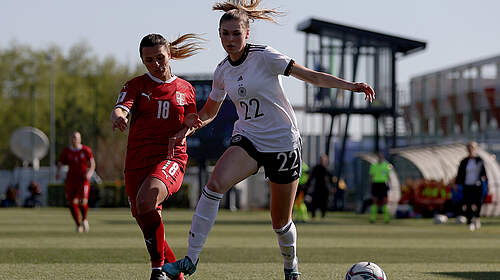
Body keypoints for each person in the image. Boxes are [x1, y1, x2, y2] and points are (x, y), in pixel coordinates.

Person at [162, 1, 375, 279]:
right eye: (224, 33)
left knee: (280, 222)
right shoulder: (222, 71)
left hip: (283, 142)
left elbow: (309, 76)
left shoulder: (264, 56)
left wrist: (350, 86)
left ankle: (291, 266)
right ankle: (190, 260)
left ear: (247, 33)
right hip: (248, 139)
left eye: (236, 33)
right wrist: (187, 128)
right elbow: (209, 113)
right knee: (213, 185)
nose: (230, 39)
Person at [111, 33, 203, 280]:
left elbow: (191, 122)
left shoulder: (186, 89)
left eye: (160, 57)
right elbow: (122, 107)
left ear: (170, 54)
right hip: (137, 163)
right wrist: (119, 116)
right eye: (149, 60)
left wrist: (188, 128)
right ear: (143, 61)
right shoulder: (136, 85)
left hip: (171, 159)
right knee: (146, 220)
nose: (156, 64)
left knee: (147, 199)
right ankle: (175, 276)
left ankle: (156, 271)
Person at [56, 131, 95, 232]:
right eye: (73, 137)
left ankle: (85, 219)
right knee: (71, 203)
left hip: (83, 180)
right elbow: (60, 162)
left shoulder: (86, 150)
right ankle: (78, 225)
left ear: (80, 139)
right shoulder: (66, 151)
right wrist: (58, 172)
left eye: (76, 138)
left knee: (83, 201)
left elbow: (92, 163)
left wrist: (89, 173)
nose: (74, 139)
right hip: (71, 180)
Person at [455, 141, 488, 231]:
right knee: (468, 203)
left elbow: (484, 173)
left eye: (472, 148)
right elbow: (459, 174)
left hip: (477, 185)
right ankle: (469, 221)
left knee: (478, 203)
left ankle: (477, 218)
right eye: (469, 148)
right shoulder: (464, 161)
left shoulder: (479, 160)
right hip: (467, 185)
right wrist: (457, 184)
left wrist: (486, 183)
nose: (470, 149)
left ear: (475, 149)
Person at [306, 154, 333, 219]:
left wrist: (332, 187)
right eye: (321, 160)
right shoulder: (316, 168)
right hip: (317, 188)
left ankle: (323, 215)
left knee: (324, 202)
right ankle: (313, 215)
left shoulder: (327, 169)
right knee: (314, 202)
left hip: (325, 189)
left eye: (324, 160)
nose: (322, 161)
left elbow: (331, 179)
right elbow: (311, 177)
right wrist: (307, 185)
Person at [369, 152, 391, 223]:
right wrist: (371, 185)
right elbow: (371, 176)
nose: (380, 158)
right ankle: (372, 218)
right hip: (376, 184)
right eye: (379, 156)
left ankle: (386, 218)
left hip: (383, 184)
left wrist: (389, 185)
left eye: (381, 156)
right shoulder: (373, 166)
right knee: (375, 201)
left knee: (385, 201)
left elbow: (388, 176)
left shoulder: (386, 166)